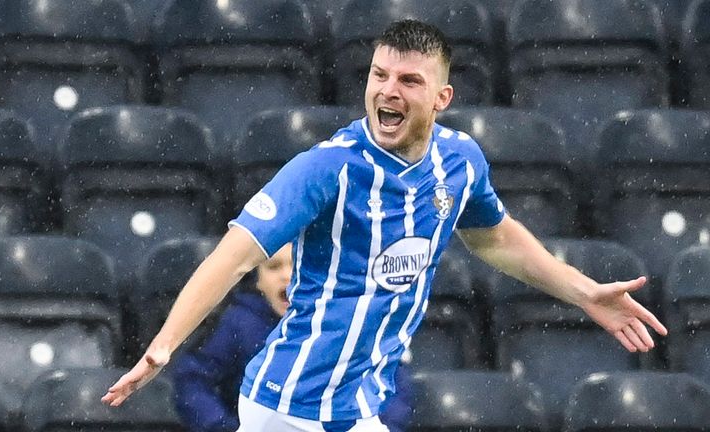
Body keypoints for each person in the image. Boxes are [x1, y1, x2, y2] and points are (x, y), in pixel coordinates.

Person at [102, 19, 667, 432]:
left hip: (356, 409)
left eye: (409, 81)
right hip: (289, 407)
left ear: (442, 97)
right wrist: (164, 346)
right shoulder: (328, 167)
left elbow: (494, 237)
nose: (388, 91)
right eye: (379, 75)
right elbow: (234, 256)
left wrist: (583, 291)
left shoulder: (460, 161)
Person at [170, 243, 413, 432]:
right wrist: (225, 427)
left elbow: (391, 383)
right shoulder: (238, 323)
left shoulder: (348, 320)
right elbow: (192, 381)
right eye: (273, 267)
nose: (287, 276)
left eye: (297, 265)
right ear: (257, 281)